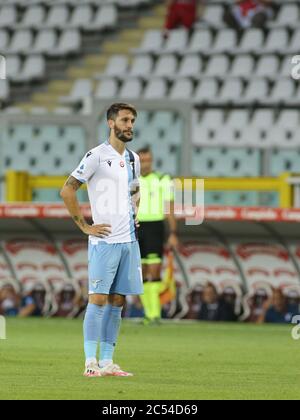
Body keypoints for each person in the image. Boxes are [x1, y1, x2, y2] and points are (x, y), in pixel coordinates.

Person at [61, 103, 142, 378]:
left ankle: (108, 362)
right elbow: (67, 190)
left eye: (132, 120)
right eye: (124, 120)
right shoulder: (96, 156)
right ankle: (90, 362)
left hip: (129, 241)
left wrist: (135, 213)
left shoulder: (134, 159)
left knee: (118, 301)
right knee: (97, 299)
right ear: (111, 123)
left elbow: (134, 191)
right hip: (104, 241)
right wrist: (85, 226)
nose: (130, 125)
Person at [137, 146, 179, 325]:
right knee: (142, 272)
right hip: (137, 227)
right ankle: (149, 314)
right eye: (142, 160)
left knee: (154, 271)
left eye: (148, 160)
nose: (145, 163)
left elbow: (169, 208)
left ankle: (155, 315)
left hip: (155, 226)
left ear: (152, 161)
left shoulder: (163, 179)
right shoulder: (131, 180)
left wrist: (173, 233)